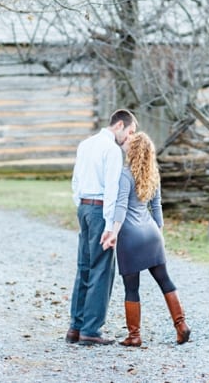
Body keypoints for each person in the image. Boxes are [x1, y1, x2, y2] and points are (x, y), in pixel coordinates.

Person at [102, 132, 191, 346]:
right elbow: (157, 206)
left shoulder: (126, 174)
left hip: (131, 238)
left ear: (133, 151)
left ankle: (134, 337)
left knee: (132, 288)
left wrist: (113, 232)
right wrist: (159, 234)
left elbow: (122, 206)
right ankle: (181, 326)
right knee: (165, 280)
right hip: (152, 234)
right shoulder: (154, 174)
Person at [66, 109, 138, 346]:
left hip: (84, 208)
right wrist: (110, 225)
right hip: (99, 210)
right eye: (130, 132)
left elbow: (75, 180)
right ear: (119, 125)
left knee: (84, 266)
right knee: (101, 269)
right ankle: (91, 330)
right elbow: (111, 190)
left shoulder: (86, 144)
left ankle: (75, 328)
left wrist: (81, 204)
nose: (129, 138)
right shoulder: (112, 150)